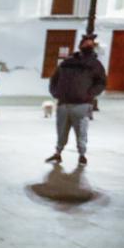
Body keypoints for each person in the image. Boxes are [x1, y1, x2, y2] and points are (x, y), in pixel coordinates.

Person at [47, 34, 107, 165]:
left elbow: (101, 83)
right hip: (64, 103)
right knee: (61, 130)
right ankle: (58, 153)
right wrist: (56, 92)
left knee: (81, 131)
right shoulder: (68, 62)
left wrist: (89, 94)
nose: (88, 46)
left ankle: (82, 155)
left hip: (82, 104)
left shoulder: (95, 65)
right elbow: (55, 78)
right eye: (86, 43)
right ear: (81, 45)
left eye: (90, 44)